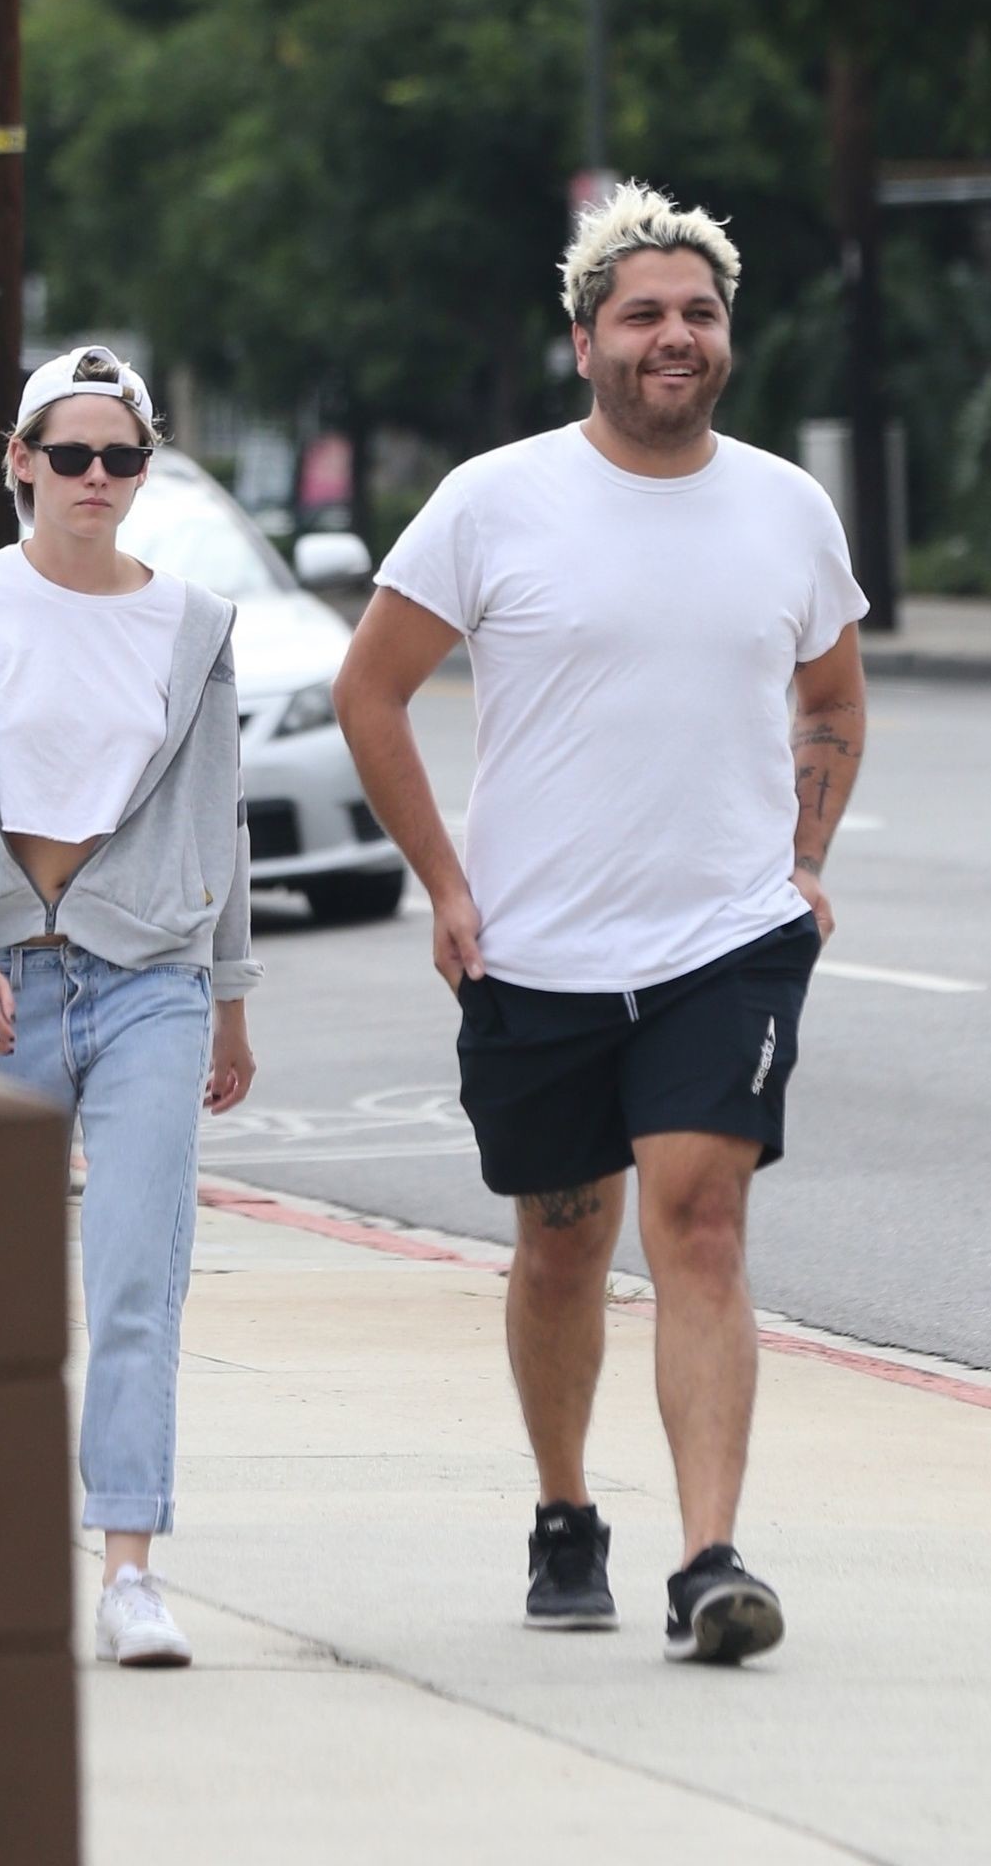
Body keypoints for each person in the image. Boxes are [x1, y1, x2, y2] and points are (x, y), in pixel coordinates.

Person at [333, 182, 868, 1664]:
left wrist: (803, 855)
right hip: (537, 951)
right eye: (642, 315)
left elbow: (830, 697)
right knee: (563, 1245)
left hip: (726, 942)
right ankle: (565, 1511)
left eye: (698, 312)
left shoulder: (786, 508)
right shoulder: (492, 501)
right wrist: (446, 883)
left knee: (701, 1224)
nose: (673, 336)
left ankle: (710, 1559)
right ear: (584, 342)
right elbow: (369, 691)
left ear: (726, 335)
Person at [0, 343, 261, 1669]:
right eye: (71, 454)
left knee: (138, 1280)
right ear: (21, 463)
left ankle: (128, 1574)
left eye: (122, 456)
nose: (96, 476)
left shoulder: (196, 624)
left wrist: (229, 998)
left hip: (151, 976)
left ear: (143, 470)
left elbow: (216, 819)